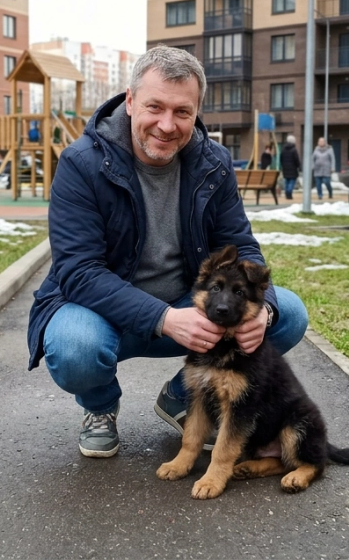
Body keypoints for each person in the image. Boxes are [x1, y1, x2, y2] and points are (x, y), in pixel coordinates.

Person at [26, 45, 309, 459]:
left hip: (190, 307)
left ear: (196, 112)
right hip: (103, 311)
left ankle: (184, 396)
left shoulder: (213, 162)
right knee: (76, 348)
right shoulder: (81, 164)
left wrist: (262, 310)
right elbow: (79, 271)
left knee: (288, 314)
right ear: (130, 101)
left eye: (182, 112)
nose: (167, 125)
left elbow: (241, 246)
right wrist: (163, 318)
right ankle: (100, 408)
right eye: (154, 107)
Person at [280, 134, 301, 201]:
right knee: (292, 181)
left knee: (287, 181)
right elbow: (296, 159)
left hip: (285, 168)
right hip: (293, 169)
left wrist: (283, 165)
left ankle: (287, 192)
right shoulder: (294, 150)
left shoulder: (283, 149)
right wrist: (299, 166)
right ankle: (289, 192)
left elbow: (281, 158)